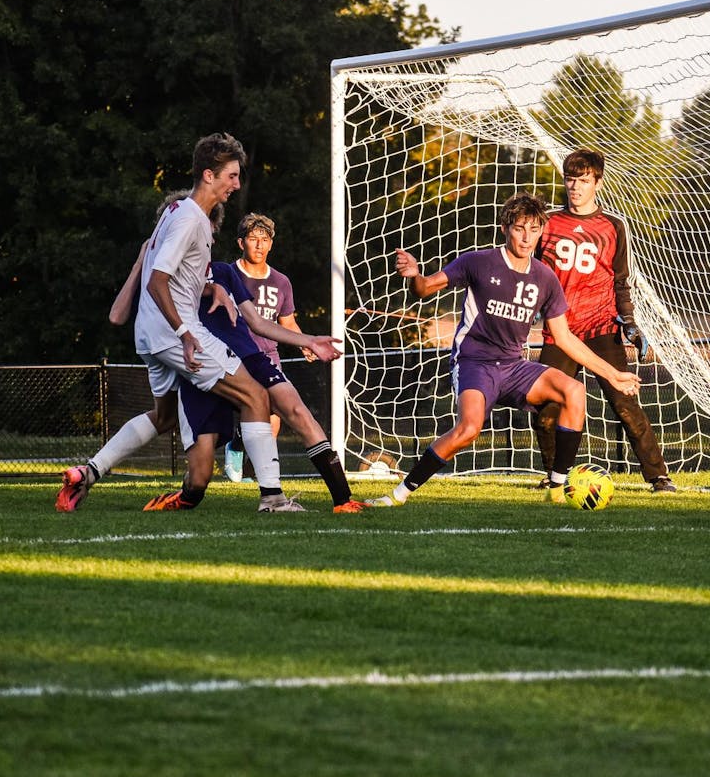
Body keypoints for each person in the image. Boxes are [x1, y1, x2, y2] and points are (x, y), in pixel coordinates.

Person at [56, 131, 307, 514]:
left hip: (149, 337)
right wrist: (185, 332)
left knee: (164, 416)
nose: (236, 185)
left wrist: (211, 287)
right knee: (255, 395)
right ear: (209, 175)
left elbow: (168, 278)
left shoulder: (174, 214)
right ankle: (272, 499)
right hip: (174, 334)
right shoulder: (192, 218)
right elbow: (158, 280)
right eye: (232, 176)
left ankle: (87, 473)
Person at [369, 192, 640, 507]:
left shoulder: (545, 278)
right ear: (504, 227)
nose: (527, 238)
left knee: (574, 392)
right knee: (469, 429)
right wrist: (415, 274)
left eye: (534, 230)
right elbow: (425, 288)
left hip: (514, 366)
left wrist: (614, 374)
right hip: (475, 363)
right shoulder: (478, 262)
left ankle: (556, 488)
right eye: (520, 229)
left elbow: (564, 338)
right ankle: (397, 496)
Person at [138, 258, 367, 513]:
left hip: (248, 357)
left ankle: (343, 500)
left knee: (298, 411)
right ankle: (187, 495)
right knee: (199, 478)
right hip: (203, 366)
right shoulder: (166, 276)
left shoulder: (223, 271)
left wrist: (309, 340)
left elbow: (257, 322)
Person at [533, 148, 677, 493]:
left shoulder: (613, 226)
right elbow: (533, 274)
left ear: (597, 182)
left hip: (601, 328)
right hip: (560, 329)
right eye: (570, 179)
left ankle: (658, 476)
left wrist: (629, 323)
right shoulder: (548, 224)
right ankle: (555, 477)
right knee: (546, 409)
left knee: (625, 404)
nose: (575, 187)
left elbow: (620, 280)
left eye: (583, 180)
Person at [222, 212, 305, 481]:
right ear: (241, 242)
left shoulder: (282, 282)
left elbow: (287, 322)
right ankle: (235, 442)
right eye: (253, 239)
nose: (259, 245)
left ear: (271, 244)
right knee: (246, 409)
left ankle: (259, 475)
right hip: (232, 355)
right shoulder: (227, 275)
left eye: (265, 239)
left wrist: (307, 344)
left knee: (274, 413)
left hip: (268, 356)